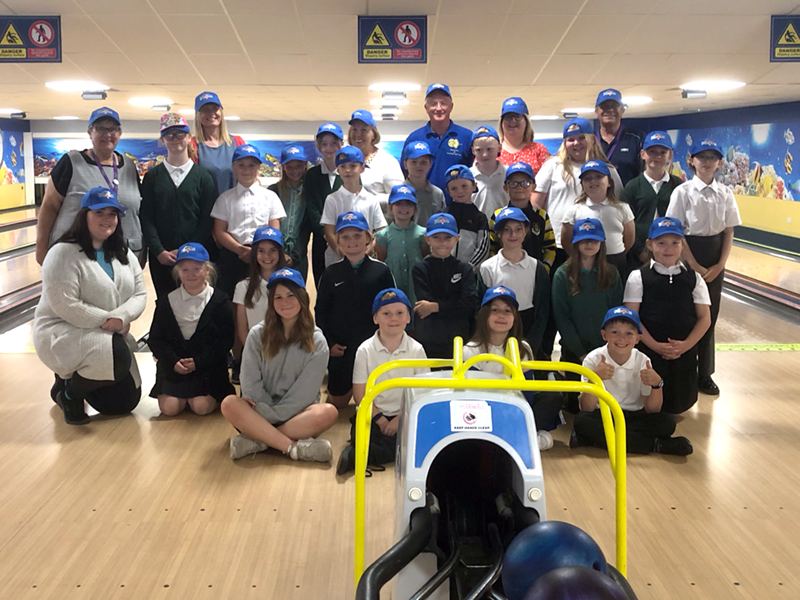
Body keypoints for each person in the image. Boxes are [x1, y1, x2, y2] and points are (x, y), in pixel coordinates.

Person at [33, 187, 146, 425]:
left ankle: (70, 379)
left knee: (121, 404)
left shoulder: (122, 252)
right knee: (117, 354)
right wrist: (113, 323)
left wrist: (122, 317)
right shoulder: (62, 253)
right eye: (99, 212)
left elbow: (140, 294)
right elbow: (67, 305)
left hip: (104, 330)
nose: (107, 218)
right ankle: (70, 395)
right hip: (62, 330)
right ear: (84, 215)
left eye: (112, 213)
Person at [221, 268, 338, 462]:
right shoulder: (257, 334)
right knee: (229, 404)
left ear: (302, 298)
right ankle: (292, 447)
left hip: (296, 415)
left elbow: (305, 395)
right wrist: (265, 411)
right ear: (271, 302)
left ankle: (260, 439)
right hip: (260, 410)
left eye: (291, 295)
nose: (285, 303)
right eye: (278, 297)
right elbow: (249, 383)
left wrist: (268, 418)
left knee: (328, 412)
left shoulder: (317, 341)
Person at [532, 118, 623, 358]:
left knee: (592, 307)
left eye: (581, 137)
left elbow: (620, 209)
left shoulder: (608, 169)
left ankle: (600, 356)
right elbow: (537, 204)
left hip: (598, 250)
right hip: (561, 248)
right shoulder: (553, 166)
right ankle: (550, 362)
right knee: (557, 309)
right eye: (570, 139)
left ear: (591, 138)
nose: (576, 143)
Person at [666, 139, 741, 396]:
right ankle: (683, 368)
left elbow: (729, 231)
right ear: (692, 160)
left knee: (710, 316)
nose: (707, 162)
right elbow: (675, 232)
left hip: (715, 256)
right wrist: (694, 264)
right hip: (687, 254)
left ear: (719, 162)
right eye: (702, 157)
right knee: (687, 314)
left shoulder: (726, 193)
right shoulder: (683, 192)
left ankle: (705, 373)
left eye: (712, 157)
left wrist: (720, 264)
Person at [571, 306, 693, 456]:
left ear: (638, 339)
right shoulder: (593, 360)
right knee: (582, 421)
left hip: (634, 416)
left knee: (667, 423)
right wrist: (594, 379)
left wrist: (657, 384)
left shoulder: (643, 360)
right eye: (615, 332)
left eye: (629, 333)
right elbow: (586, 408)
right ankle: (655, 445)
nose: (622, 339)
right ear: (604, 335)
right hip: (603, 415)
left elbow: (652, 410)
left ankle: (596, 440)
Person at [624, 217, 712, 414]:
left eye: (675, 243)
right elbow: (632, 316)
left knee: (678, 401)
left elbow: (705, 318)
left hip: (683, 351)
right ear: (650, 244)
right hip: (650, 348)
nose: (668, 248)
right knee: (648, 396)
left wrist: (685, 345)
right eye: (661, 243)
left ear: (682, 245)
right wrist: (654, 345)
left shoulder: (694, 278)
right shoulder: (639, 277)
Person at [337, 288, 429, 475]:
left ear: (408, 318)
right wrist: (379, 419)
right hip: (373, 415)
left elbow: (423, 392)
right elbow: (360, 394)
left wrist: (399, 419)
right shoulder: (365, 350)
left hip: (405, 415)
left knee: (415, 443)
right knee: (362, 434)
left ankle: (361, 455)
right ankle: (365, 450)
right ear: (375, 318)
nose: (393, 318)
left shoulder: (417, 350)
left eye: (399, 313)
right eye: (386, 313)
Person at [36, 107, 143, 266]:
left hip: (123, 255)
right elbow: (49, 206)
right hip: (74, 255)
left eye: (113, 129)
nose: (108, 134)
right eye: (100, 128)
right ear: (90, 132)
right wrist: (41, 249)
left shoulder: (129, 166)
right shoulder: (70, 162)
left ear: (119, 133)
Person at [464, 286, 563, 451]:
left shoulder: (523, 347)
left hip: (515, 408)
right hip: (486, 410)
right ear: (484, 315)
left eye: (508, 311)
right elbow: (473, 396)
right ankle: (524, 439)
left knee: (552, 396)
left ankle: (514, 436)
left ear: (515, 317)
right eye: (495, 310)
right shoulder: (471, 349)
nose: (501, 315)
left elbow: (527, 393)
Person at [315, 212, 395, 409]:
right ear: (338, 241)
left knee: (374, 400)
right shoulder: (331, 273)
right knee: (338, 402)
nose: (352, 241)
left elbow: (392, 309)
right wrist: (330, 343)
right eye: (345, 237)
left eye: (357, 235)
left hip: (372, 346)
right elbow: (321, 312)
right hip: (341, 348)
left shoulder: (381, 271)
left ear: (368, 238)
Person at [147, 243, 234, 416]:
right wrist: (173, 361)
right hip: (175, 367)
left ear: (207, 270)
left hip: (207, 367)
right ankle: (183, 396)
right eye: (185, 270)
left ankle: (196, 396)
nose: (191, 274)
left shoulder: (220, 301)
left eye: (196, 268)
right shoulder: (167, 301)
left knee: (201, 407)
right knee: (169, 408)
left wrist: (198, 362)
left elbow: (225, 340)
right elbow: (156, 339)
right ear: (177, 272)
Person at [140, 113, 217, 298]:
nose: (175, 139)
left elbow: (207, 219)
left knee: (196, 301)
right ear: (162, 140)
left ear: (189, 137)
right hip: (162, 258)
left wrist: (190, 251)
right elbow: (146, 217)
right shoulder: (152, 177)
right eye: (169, 135)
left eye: (180, 134)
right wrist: (158, 251)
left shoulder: (203, 177)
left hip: (195, 259)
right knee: (165, 303)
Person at [552, 219, 623, 411]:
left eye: (594, 240)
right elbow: (562, 318)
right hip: (575, 351)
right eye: (584, 240)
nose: (589, 244)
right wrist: (582, 353)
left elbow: (616, 316)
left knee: (608, 404)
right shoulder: (562, 275)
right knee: (577, 407)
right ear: (576, 243)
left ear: (601, 243)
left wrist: (610, 348)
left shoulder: (611, 274)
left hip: (605, 350)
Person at [210, 144, 286, 299]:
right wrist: (240, 250)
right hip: (233, 257)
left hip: (264, 258)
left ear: (258, 167)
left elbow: (274, 229)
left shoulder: (270, 197)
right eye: (241, 165)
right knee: (231, 299)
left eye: (252, 165)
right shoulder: (225, 198)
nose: (246, 170)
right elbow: (219, 231)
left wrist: (259, 252)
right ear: (233, 167)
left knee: (264, 297)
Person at [479, 207, 550, 356]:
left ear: (525, 232)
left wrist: (531, 345)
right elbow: (482, 309)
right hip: (497, 327)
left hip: (528, 328)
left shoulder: (537, 268)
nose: (513, 235)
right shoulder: (487, 268)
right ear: (498, 233)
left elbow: (542, 312)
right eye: (507, 230)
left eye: (518, 229)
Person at [413, 213, 479, 359]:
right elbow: (424, 307)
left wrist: (436, 307)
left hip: (460, 338)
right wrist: (453, 306)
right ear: (427, 239)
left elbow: (469, 305)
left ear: (457, 239)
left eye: (448, 237)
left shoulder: (464, 269)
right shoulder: (420, 269)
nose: (442, 242)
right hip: (429, 339)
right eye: (436, 237)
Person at [561, 160, 634, 280]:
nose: (593, 181)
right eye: (587, 179)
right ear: (582, 184)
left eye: (598, 177)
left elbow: (629, 240)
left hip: (616, 261)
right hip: (586, 263)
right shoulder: (574, 211)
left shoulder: (623, 208)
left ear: (609, 182)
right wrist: (581, 258)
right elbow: (566, 241)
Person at [620, 131, 684, 269]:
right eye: (652, 152)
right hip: (637, 256)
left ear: (670, 155)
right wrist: (639, 251)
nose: (657, 156)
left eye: (662, 152)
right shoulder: (632, 186)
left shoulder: (679, 186)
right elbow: (625, 223)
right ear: (643, 154)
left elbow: (684, 221)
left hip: (670, 254)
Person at [402, 83, 474, 199]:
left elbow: (473, 172)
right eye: (433, 103)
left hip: (457, 207)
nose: (439, 108)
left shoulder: (466, 137)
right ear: (426, 108)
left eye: (443, 103)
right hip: (422, 206)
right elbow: (406, 173)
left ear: (451, 106)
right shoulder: (414, 138)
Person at [320, 145, 386, 267]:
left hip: (365, 260)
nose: (348, 170)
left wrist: (364, 255)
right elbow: (329, 233)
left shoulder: (371, 199)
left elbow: (380, 231)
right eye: (343, 166)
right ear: (338, 170)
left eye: (352, 166)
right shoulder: (332, 199)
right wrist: (345, 256)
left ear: (362, 168)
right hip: (337, 260)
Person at [488, 162, 555, 270]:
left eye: (525, 183)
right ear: (505, 187)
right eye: (513, 183)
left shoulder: (541, 216)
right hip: (503, 272)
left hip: (534, 273)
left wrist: (544, 269)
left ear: (534, 186)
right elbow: (491, 247)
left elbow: (550, 247)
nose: (519, 187)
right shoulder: (497, 215)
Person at [233, 226, 288, 354]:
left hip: (286, 352)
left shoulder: (290, 284)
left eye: (272, 250)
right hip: (255, 352)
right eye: (261, 250)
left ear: (280, 252)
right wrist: (255, 354)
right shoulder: (242, 287)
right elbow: (242, 330)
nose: (267, 256)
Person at [375, 185, 428, 305]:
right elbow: (381, 260)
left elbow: (425, 257)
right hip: (393, 280)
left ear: (415, 208)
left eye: (409, 204)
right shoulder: (383, 235)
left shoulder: (422, 233)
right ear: (390, 207)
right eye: (399, 203)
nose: (404, 207)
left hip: (415, 281)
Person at [304, 123, 344, 285]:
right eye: (324, 144)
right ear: (318, 146)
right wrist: (326, 234)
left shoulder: (347, 172)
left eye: (334, 143)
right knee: (323, 283)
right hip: (321, 240)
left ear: (341, 144)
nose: (329, 148)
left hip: (345, 238)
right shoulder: (312, 175)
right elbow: (312, 207)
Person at [347, 110, 404, 220]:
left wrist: (368, 200)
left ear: (373, 134)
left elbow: (399, 197)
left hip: (379, 229)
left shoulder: (387, 162)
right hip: (349, 229)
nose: (358, 134)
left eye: (364, 130)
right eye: (355, 129)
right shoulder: (344, 160)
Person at [190, 91, 246, 195]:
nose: (211, 113)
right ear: (198, 115)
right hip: (207, 207)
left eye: (215, 108)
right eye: (205, 110)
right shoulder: (192, 145)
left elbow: (248, 175)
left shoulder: (238, 142)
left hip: (235, 205)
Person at [268, 145, 310, 280]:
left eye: (298, 166)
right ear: (283, 167)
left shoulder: (309, 192)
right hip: (274, 253)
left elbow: (306, 228)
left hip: (299, 254)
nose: (294, 171)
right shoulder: (273, 191)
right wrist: (279, 252)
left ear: (305, 166)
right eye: (289, 166)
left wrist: (295, 256)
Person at [594, 88, 644, 186]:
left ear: (622, 110)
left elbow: (646, 172)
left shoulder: (637, 138)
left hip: (628, 198)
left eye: (614, 106)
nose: (610, 110)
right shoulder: (589, 140)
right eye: (604, 106)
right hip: (596, 198)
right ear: (596, 112)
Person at [445, 165, 490, 272]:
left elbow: (483, 247)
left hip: (469, 273)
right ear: (448, 191)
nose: (460, 191)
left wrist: (469, 268)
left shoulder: (480, 217)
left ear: (474, 186)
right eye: (454, 188)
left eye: (464, 186)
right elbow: (435, 241)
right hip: (444, 270)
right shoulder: (443, 215)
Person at [497, 97, 550, 174]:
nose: (513, 121)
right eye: (508, 117)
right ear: (502, 122)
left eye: (517, 117)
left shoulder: (539, 150)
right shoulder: (492, 150)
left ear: (526, 121)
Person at [402, 141, 446, 226]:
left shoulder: (438, 193)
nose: (419, 166)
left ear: (430, 164)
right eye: (414, 162)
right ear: (405, 165)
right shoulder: (399, 192)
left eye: (423, 162)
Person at [470, 125, 508, 219]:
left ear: (499, 148)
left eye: (489, 149)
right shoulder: (467, 176)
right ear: (473, 150)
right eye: (479, 150)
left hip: (505, 229)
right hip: (476, 230)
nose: (484, 154)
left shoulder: (508, 174)